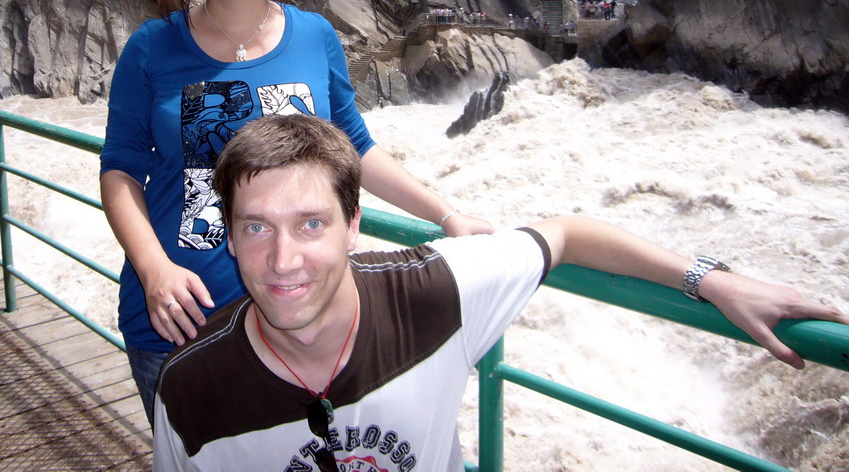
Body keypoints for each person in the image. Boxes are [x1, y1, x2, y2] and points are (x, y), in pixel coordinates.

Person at [152, 114, 848, 471]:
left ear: (353, 225)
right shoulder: (190, 389)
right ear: (230, 238)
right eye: (256, 228)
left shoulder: (435, 295)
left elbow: (567, 234)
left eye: (311, 224)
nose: (283, 259)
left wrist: (710, 279)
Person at [99, 0, 494, 425]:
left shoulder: (314, 37)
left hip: (300, 318)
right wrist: (153, 268)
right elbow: (120, 171)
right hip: (180, 320)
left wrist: (446, 214)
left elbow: (354, 147)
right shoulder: (151, 48)